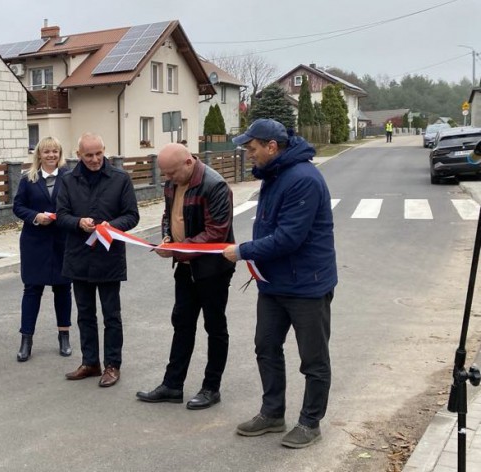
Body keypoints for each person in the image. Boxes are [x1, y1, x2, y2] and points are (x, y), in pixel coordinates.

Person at [223, 118, 337, 449]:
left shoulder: (303, 179)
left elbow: (289, 238)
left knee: (313, 359)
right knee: (266, 346)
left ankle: (310, 422)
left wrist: (242, 251)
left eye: (252, 148)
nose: (249, 154)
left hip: (307, 286)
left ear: (272, 147)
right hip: (274, 284)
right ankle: (273, 413)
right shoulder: (274, 175)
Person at [136, 144, 235, 409]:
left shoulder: (215, 186)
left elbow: (217, 234)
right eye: (164, 174)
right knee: (182, 324)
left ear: (189, 163)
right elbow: (169, 216)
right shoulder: (173, 183)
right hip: (185, 266)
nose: (167, 180)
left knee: (215, 327)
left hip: (213, 269)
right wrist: (167, 238)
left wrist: (178, 251)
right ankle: (172, 385)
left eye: (171, 173)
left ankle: (211, 388)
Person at [56, 133, 139, 388]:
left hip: (109, 257)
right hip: (78, 258)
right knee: (84, 315)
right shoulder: (68, 180)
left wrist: (110, 227)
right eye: (89, 155)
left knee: (111, 315)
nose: (95, 160)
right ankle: (90, 362)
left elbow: (132, 216)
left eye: (99, 154)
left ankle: (112, 365)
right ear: (78, 154)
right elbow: (61, 215)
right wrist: (78, 223)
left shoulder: (120, 178)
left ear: (105, 151)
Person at [12, 136, 73, 362]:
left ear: (60, 154)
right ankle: (26, 340)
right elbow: (18, 207)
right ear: (39, 154)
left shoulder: (69, 178)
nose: (50, 155)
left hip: (62, 241)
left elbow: (74, 204)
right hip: (34, 242)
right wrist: (35, 216)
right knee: (32, 291)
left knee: (63, 290)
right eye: (46, 152)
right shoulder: (28, 178)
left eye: (55, 151)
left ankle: (64, 336)